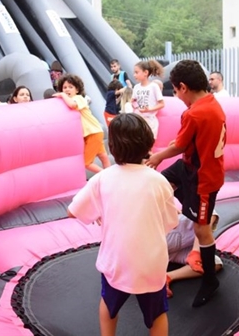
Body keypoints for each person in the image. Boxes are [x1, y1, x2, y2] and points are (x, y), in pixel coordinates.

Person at [68, 113, 179, 336]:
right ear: (148, 144)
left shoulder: (103, 178)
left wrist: (101, 211)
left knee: (109, 306)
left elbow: (72, 211)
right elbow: (171, 220)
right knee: (157, 314)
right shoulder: (158, 181)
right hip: (151, 264)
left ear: (114, 148)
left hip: (116, 261)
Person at [146, 59, 226, 308]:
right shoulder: (211, 104)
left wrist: (157, 156)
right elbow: (185, 143)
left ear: (182, 87)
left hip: (202, 178)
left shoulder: (195, 112)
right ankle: (173, 222)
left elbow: (180, 145)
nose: (178, 97)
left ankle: (210, 281)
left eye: (177, 92)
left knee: (201, 229)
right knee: (159, 184)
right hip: (190, 166)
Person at [54, 74, 111, 173]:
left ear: (77, 90)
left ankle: (105, 176)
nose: (67, 90)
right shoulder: (70, 100)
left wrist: (62, 95)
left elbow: (72, 104)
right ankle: (111, 174)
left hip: (92, 133)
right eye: (64, 88)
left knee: (86, 163)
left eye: (70, 87)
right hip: (94, 132)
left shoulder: (78, 98)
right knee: (103, 155)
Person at [166, 214, 223, 298]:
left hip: (165, 250)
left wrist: (196, 251)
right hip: (161, 244)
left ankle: (168, 276)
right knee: (206, 211)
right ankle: (168, 276)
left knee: (213, 262)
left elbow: (209, 213)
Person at [132, 60, 165, 139]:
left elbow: (162, 104)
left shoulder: (154, 86)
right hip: (138, 120)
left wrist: (149, 109)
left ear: (145, 72)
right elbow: (132, 101)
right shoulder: (136, 87)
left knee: (149, 145)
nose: (134, 75)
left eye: (137, 72)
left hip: (150, 120)